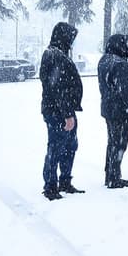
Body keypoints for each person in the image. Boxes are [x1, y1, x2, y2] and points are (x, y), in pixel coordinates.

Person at [40, 21, 84, 200]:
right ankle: (50, 186)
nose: (72, 41)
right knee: (56, 147)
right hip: (58, 112)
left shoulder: (57, 53)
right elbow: (57, 87)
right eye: (71, 37)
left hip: (63, 110)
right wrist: (67, 115)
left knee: (69, 146)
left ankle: (65, 181)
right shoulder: (54, 55)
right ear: (63, 36)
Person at [98, 33, 128, 188]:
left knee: (112, 142)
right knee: (120, 143)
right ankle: (113, 178)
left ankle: (110, 174)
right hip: (120, 110)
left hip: (109, 109)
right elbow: (127, 89)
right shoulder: (119, 64)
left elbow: (115, 70)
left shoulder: (104, 60)